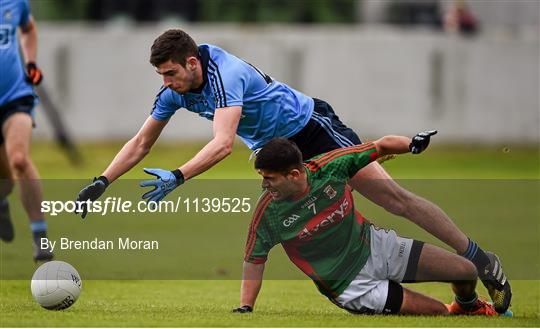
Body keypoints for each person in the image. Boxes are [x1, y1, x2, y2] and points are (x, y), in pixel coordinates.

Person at [75, 29, 510, 313]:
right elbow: (141, 141)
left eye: (171, 73)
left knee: (394, 199)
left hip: (313, 131)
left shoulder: (224, 73)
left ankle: (478, 260)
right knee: (299, 225)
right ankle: (366, 282)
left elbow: (224, 143)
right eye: (161, 76)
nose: (166, 83)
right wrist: (102, 180)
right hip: (279, 155)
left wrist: (179, 175)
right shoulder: (175, 90)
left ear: (192, 63)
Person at [233, 133, 503, 316]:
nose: (264, 184)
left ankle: (469, 307)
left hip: (376, 247)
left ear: (294, 174)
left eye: (269, 178)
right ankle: (451, 310)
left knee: (466, 271)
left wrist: (412, 144)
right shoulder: (268, 211)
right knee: (438, 313)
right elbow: (254, 259)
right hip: (351, 285)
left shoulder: (332, 167)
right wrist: (246, 307)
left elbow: (381, 146)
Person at [0, 0, 52, 261]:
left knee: (19, 159)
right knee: (5, 181)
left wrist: (31, 62)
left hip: (14, 95)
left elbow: (28, 29)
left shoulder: (14, 3)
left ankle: (40, 237)